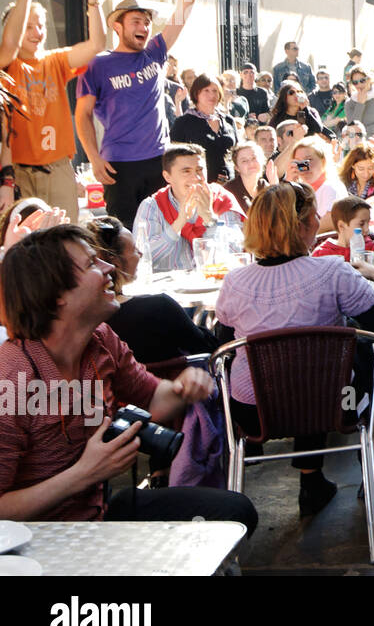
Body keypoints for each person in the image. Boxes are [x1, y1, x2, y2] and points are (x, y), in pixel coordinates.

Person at [0, 225, 257, 529]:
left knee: (235, 515)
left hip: (99, 517)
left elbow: (152, 399)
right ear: (56, 294)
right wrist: (84, 474)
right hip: (34, 544)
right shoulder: (13, 379)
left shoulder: (100, 340)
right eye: (93, 263)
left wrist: (183, 387)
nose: (110, 267)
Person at [215, 182, 374, 515]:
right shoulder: (332, 272)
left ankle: (310, 478)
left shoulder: (234, 282)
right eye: (316, 215)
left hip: (251, 413)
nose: (320, 221)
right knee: (337, 366)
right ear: (301, 225)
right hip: (331, 405)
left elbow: (221, 341)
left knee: (297, 368)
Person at [75, 0, 209, 226]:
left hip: (158, 161)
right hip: (118, 166)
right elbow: (82, 115)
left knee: (168, 231)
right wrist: (94, 158)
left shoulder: (155, 52)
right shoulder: (97, 65)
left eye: (147, 22)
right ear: (117, 27)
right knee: (124, 237)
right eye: (136, 21)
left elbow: (182, 12)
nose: (145, 27)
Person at [0, 0, 105, 214]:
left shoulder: (55, 60)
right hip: (19, 173)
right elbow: (10, 44)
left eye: (42, 25)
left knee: (65, 242)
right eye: (29, 26)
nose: (37, 32)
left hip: (58, 169)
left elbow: (96, 45)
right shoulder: (7, 65)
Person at [86, 216, 217, 363]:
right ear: (114, 261)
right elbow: (207, 348)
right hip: (172, 383)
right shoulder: (160, 307)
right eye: (135, 249)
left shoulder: (83, 319)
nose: (140, 254)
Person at [132, 143, 245, 272]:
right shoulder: (152, 206)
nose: (196, 178)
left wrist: (210, 219)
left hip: (214, 283)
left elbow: (235, 252)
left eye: (199, 170)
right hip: (167, 288)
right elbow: (141, 259)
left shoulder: (222, 199)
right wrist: (178, 223)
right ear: (167, 176)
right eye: (186, 171)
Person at [169, 72, 239, 183]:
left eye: (215, 91)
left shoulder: (228, 120)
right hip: (199, 183)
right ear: (197, 94)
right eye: (206, 91)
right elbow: (173, 158)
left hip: (229, 184)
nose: (212, 95)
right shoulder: (183, 123)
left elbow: (237, 153)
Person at [312, 195, 374, 261]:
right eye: (361, 224)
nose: (367, 230)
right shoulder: (323, 253)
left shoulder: (371, 248)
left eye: (368, 222)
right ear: (341, 226)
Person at [287, 135, 345, 218]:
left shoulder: (330, 187)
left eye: (309, 160)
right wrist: (289, 184)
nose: (304, 167)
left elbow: (326, 224)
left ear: (323, 161)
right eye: (299, 162)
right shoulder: (302, 190)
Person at [227, 140, 276, 215]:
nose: (251, 163)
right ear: (237, 167)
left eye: (254, 158)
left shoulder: (265, 186)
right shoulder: (229, 191)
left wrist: (275, 188)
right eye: (244, 161)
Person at [345, 67, 374, 135]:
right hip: (358, 144)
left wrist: (361, 130)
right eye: (355, 82)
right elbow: (352, 128)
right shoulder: (349, 103)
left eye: (362, 80)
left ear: (369, 79)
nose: (359, 85)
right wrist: (360, 104)